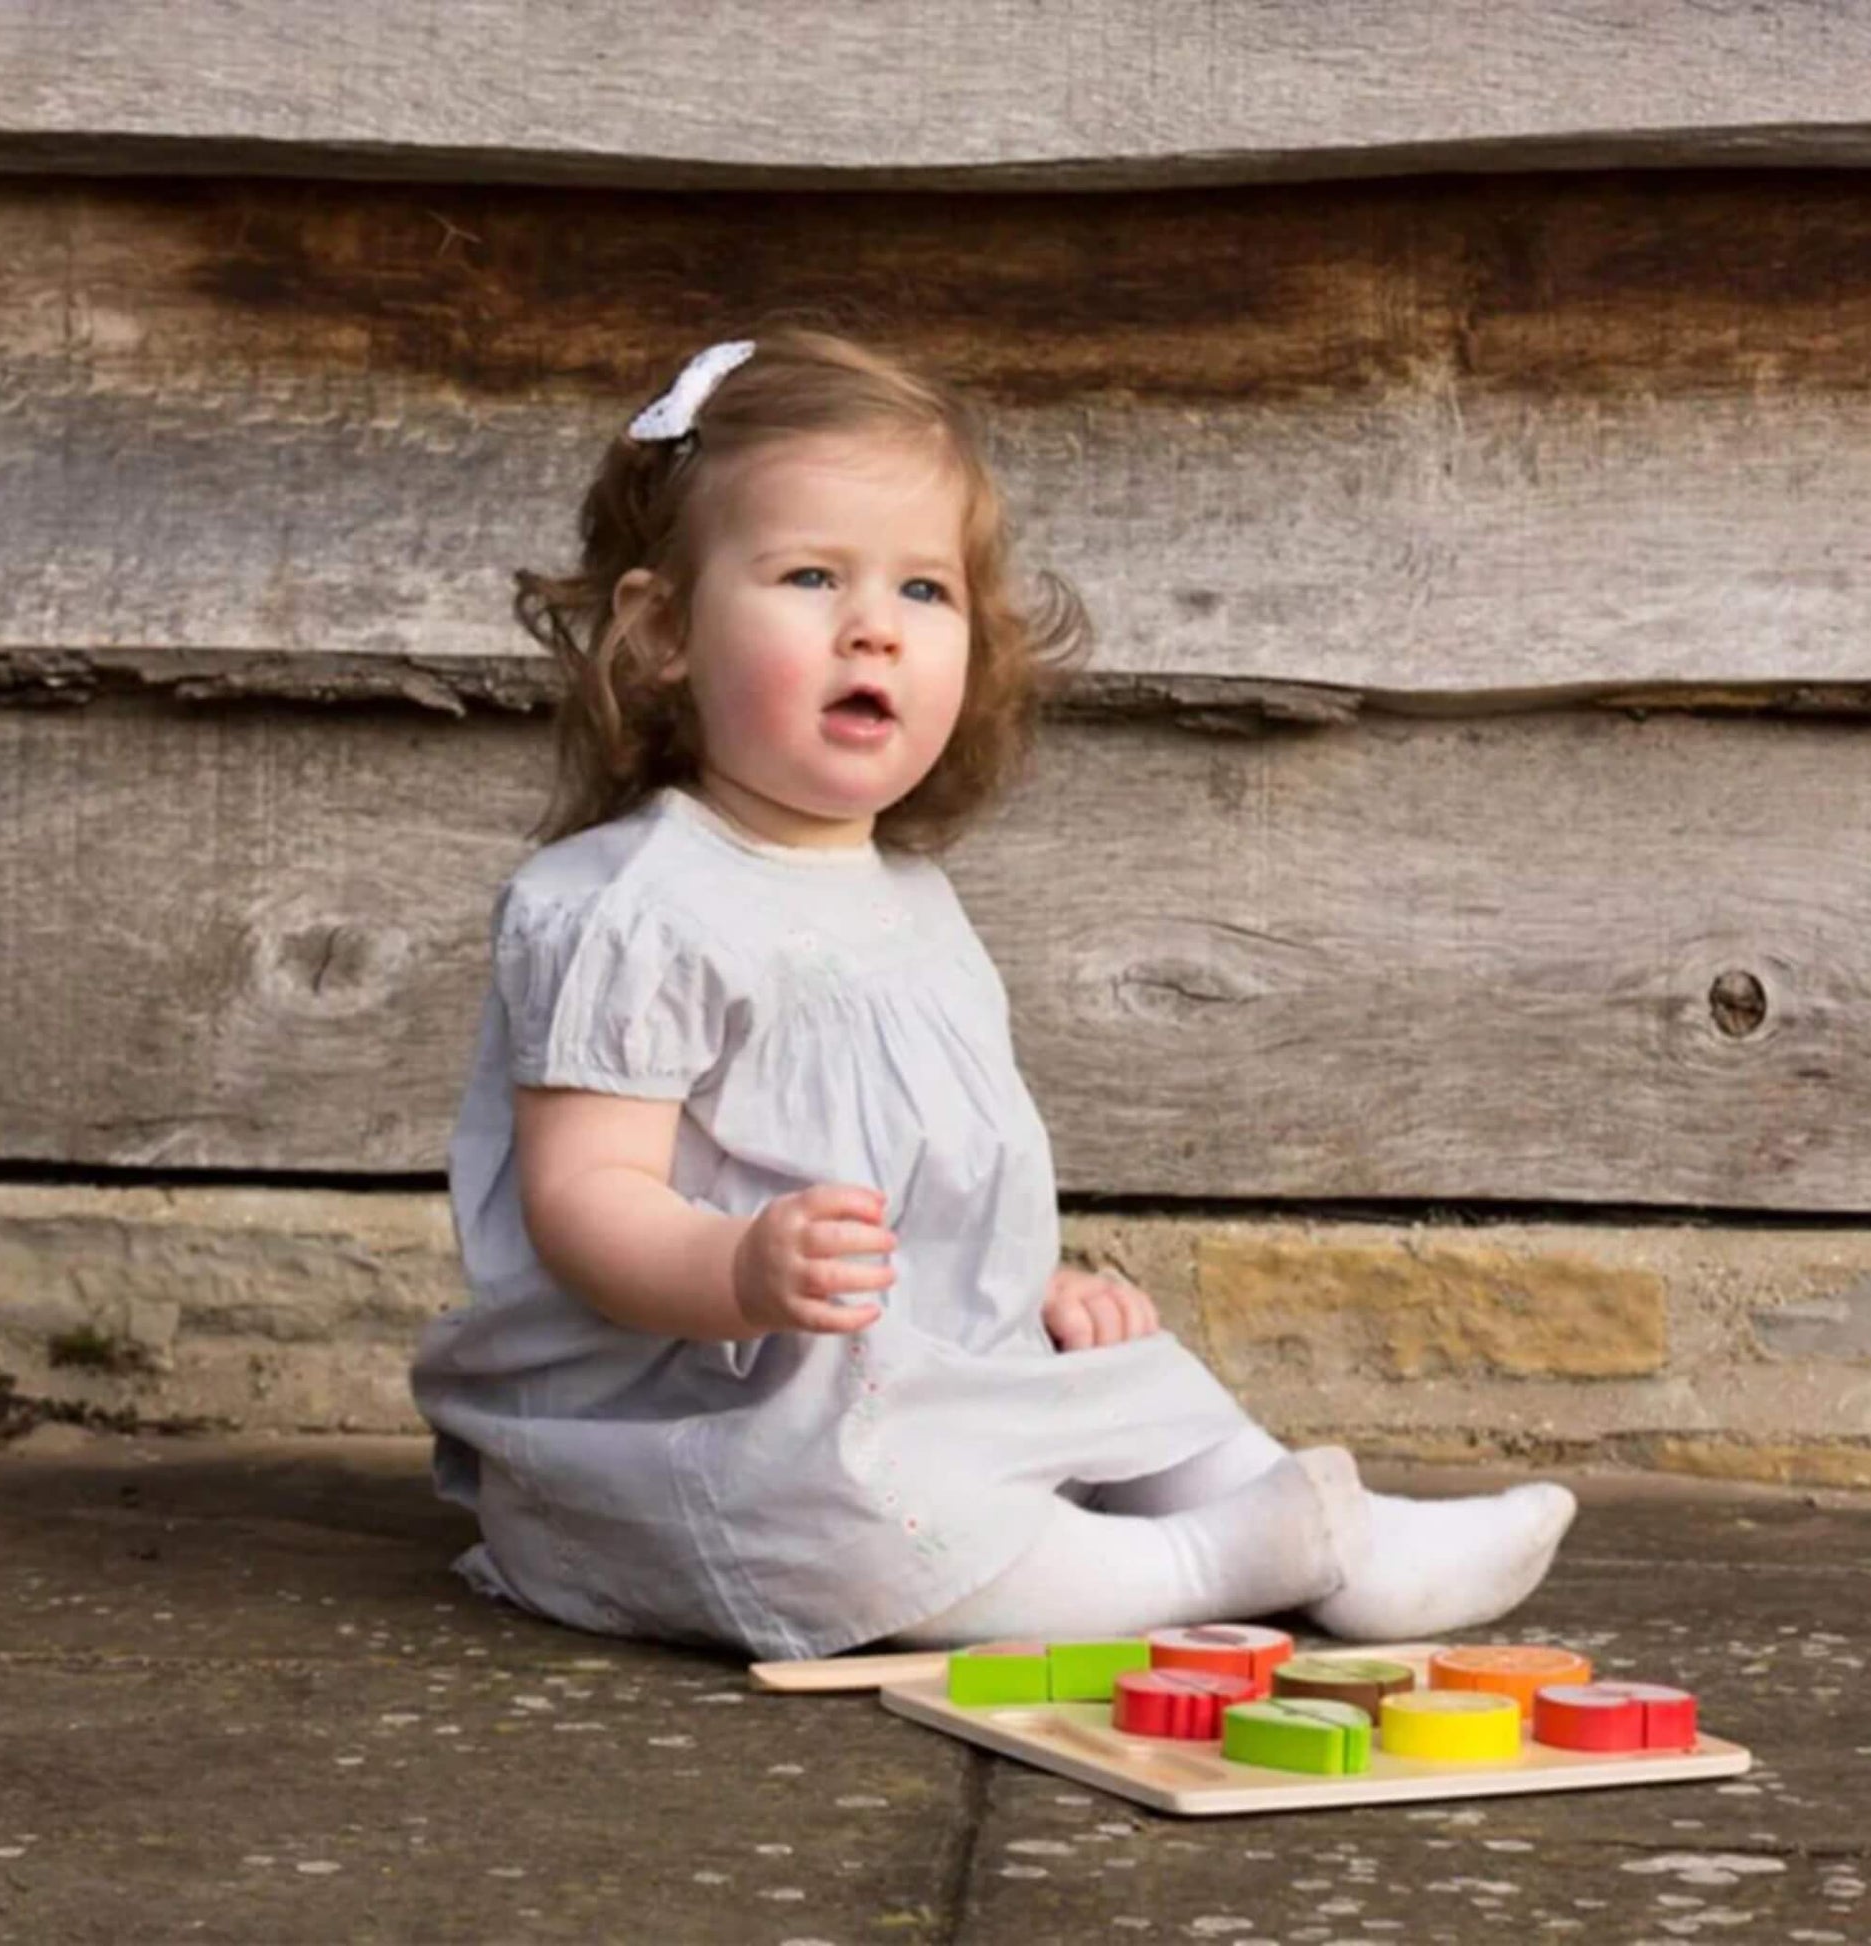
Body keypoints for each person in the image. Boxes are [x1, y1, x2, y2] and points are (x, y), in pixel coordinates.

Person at [410, 327, 1577, 1662]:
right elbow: (583, 1202)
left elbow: (930, 1177)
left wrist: (1025, 1284)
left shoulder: (910, 903)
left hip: (898, 1368)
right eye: (808, 575)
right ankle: (1204, 1561)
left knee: (1125, 1376)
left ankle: (1339, 1533)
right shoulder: (631, 906)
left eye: (923, 589)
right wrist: (737, 1265)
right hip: (687, 1414)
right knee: (856, 1518)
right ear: (664, 628)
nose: (874, 626)